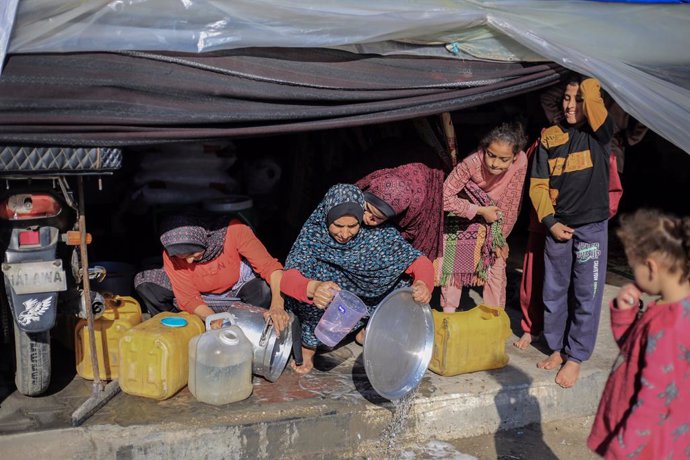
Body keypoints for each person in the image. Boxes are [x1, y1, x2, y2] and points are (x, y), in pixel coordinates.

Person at [280, 184, 434, 374]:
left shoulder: (379, 234)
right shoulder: (313, 234)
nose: (345, 234)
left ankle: (367, 328)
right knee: (313, 281)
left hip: (368, 301)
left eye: (352, 226)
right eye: (338, 225)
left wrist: (423, 284)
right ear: (326, 217)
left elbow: (420, 262)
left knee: (402, 288)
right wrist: (313, 288)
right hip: (330, 303)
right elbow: (287, 279)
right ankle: (309, 347)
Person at [529, 75, 614, 388]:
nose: (570, 105)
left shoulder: (599, 134)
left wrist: (587, 76)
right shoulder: (549, 137)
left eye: (578, 100)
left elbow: (596, 106)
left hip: (591, 227)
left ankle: (576, 356)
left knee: (585, 293)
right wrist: (550, 221)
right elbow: (537, 185)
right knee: (553, 290)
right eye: (566, 98)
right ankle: (557, 348)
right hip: (559, 227)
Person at [587, 209, 690, 459]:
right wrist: (625, 315)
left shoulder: (669, 325)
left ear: (651, 267)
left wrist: (621, 450)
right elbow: (634, 353)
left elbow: (653, 401)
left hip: (644, 446)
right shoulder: (670, 309)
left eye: (634, 267)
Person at [134, 213, 288, 332]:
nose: (188, 262)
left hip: (236, 294)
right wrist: (213, 318)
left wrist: (277, 306)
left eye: (192, 254)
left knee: (264, 289)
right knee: (145, 283)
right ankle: (186, 328)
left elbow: (271, 268)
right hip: (201, 300)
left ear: (202, 238)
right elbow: (188, 297)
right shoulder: (171, 256)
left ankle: (246, 327)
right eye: (183, 258)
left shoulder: (235, 231)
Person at [438, 121, 528, 312]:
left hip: (496, 220)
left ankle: (494, 318)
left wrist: (500, 239)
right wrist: (478, 211)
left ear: (514, 157)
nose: (495, 163)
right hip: (465, 215)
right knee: (456, 266)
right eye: (491, 155)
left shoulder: (521, 161)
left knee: (496, 266)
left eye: (504, 159)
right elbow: (444, 198)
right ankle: (449, 315)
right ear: (484, 149)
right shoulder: (471, 163)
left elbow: (512, 203)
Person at [355, 162, 445, 259]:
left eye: (375, 218)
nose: (366, 218)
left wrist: (387, 239)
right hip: (408, 168)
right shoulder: (380, 178)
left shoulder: (415, 210)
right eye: (367, 208)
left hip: (425, 178)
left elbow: (411, 233)